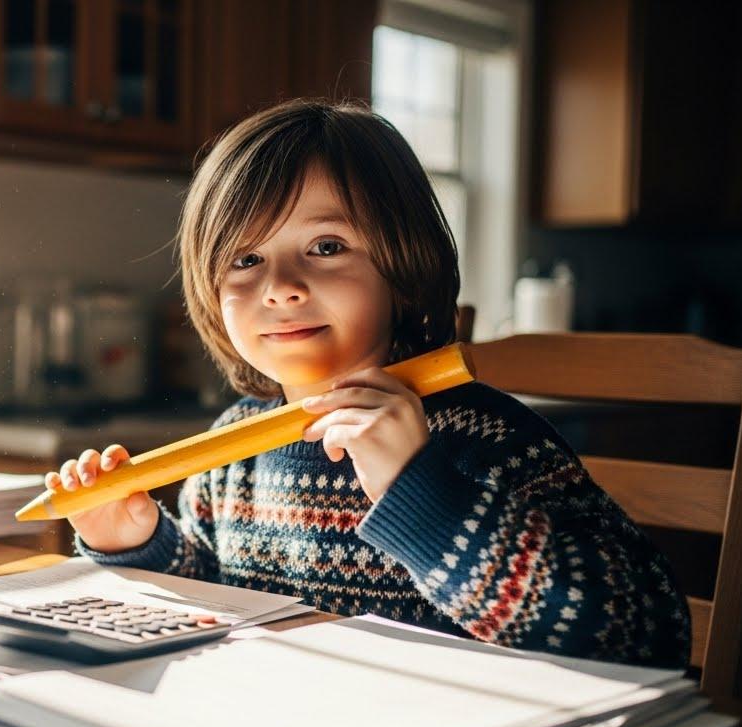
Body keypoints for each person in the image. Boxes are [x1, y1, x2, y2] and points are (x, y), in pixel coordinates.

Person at [50, 100, 690, 667]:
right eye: (246, 259)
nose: (280, 286)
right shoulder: (233, 448)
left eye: (326, 246)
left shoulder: (483, 436)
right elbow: (210, 591)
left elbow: (648, 633)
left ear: (403, 266)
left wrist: (421, 491)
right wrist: (136, 542)